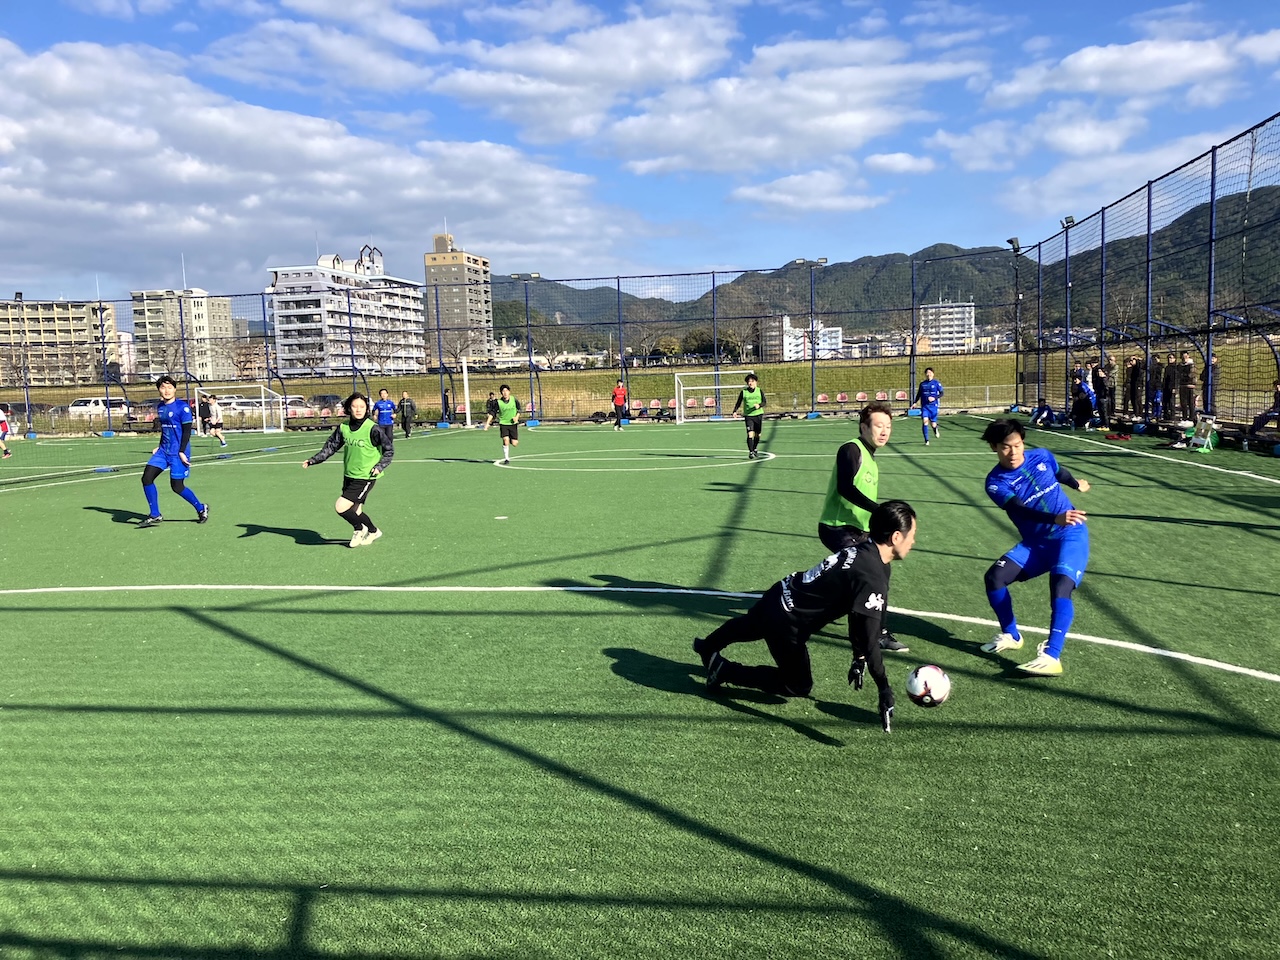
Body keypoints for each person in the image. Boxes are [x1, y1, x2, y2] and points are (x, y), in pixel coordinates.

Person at [693, 501, 918, 733]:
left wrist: (858, 657)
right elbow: (871, 639)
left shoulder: (866, 552)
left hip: (781, 592)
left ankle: (706, 646)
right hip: (787, 622)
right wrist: (884, 688)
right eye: (912, 535)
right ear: (896, 537)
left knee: (751, 626)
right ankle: (726, 671)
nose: (914, 542)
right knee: (798, 685)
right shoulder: (872, 575)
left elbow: (858, 615)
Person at [978, 419, 1091, 676]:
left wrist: (1076, 484)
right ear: (994, 447)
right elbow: (1018, 508)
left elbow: (1059, 472)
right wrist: (1054, 518)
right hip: (1037, 544)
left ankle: (1052, 655)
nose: (1014, 452)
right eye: (1006, 447)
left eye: (1018, 445)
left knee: (1061, 584)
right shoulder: (995, 482)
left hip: (1070, 534)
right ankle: (1012, 635)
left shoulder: (1041, 456)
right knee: (994, 578)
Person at [816, 400, 907, 652]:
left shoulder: (871, 457)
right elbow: (845, 488)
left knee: (881, 572)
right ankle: (871, 635)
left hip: (859, 530)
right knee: (866, 576)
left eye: (888, 426)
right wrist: (878, 510)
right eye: (878, 426)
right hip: (838, 527)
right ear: (863, 427)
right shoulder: (851, 450)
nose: (884, 431)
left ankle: (877, 630)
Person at [302, 392, 393, 547]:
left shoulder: (373, 429)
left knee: (341, 506)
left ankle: (359, 529)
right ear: (349, 408)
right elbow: (331, 447)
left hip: (366, 476)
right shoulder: (343, 427)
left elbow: (389, 450)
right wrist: (313, 460)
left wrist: (379, 467)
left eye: (362, 407)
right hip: (349, 475)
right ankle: (373, 531)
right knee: (356, 511)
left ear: (366, 409)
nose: (358, 410)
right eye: (355, 406)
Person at [138, 376, 209, 528]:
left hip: (178, 452)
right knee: (147, 478)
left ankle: (201, 508)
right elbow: (165, 430)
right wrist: (159, 445)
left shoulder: (183, 408)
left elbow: (187, 432)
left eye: (169, 387)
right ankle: (155, 514)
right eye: (163, 387)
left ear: (175, 389)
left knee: (177, 486)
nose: (166, 390)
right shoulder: (160, 407)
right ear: (159, 390)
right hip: (163, 451)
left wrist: (182, 451)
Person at [731, 373, 766, 458]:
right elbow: (739, 402)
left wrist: (759, 405)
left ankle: (754, 448)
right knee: (750, 434)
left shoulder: (759, 390)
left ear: (756, 382)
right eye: (749, 381)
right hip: (749, 416)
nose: (750, 383)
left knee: (758, 435)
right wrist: (735, 411)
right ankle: (751, 452)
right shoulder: (744, 392)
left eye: (752, 381)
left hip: (758, 415)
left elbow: (764, 402)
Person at [913, 367, 944, 444]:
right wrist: (915, 402)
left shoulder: (936, 383)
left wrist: (934, 398)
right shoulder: (922, 384)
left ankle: (935, 428)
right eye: (927, 373)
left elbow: (942, 393)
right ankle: (926, 440)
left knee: (933, 424)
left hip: (933, 407)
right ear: (925, 374)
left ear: (933, 374)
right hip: (925, 407)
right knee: (925, 421)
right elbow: (919, 394)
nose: (928, 374)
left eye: (930, 372)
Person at [492, 384, 520, 464]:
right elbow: (492, 412)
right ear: (501, 393)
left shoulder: (514, 400)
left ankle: (510, 438)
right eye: (503, 391)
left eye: (506, 391)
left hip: (513, 424)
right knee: (505, 440)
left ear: (509, 392)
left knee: (515, 443)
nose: (505, 392)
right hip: (503, 423)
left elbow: (519, 410)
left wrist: (516, 417)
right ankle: (507, 458)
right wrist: (487, 423)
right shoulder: (499, 402)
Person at [1179, 351, 1199, 421]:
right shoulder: (1180, 365)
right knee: (1183, 403)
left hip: (1190, 386)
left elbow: (1191, 375)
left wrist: (1184, 376)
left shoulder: (1191, 365)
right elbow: (1178, 375)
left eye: (1186, 357)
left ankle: (1192, 417)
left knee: (1191, 403)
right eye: (1183, 357)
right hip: (1182, 386)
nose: (1184, 358)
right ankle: (1184, 417)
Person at [1161, 353, 1179, 420]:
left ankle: (1172, 417)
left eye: (1171, 358)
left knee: (1172, 403)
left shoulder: (1176, 368)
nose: (1170, 359)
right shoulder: (1167, 368)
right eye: (1169, 358)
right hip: (1166, 388)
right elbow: (1165, 378)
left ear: (1175, 359)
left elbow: (1176, 378)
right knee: (1165, 403)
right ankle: (1166, 416)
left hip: (1172, 388)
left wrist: (1175, 387)